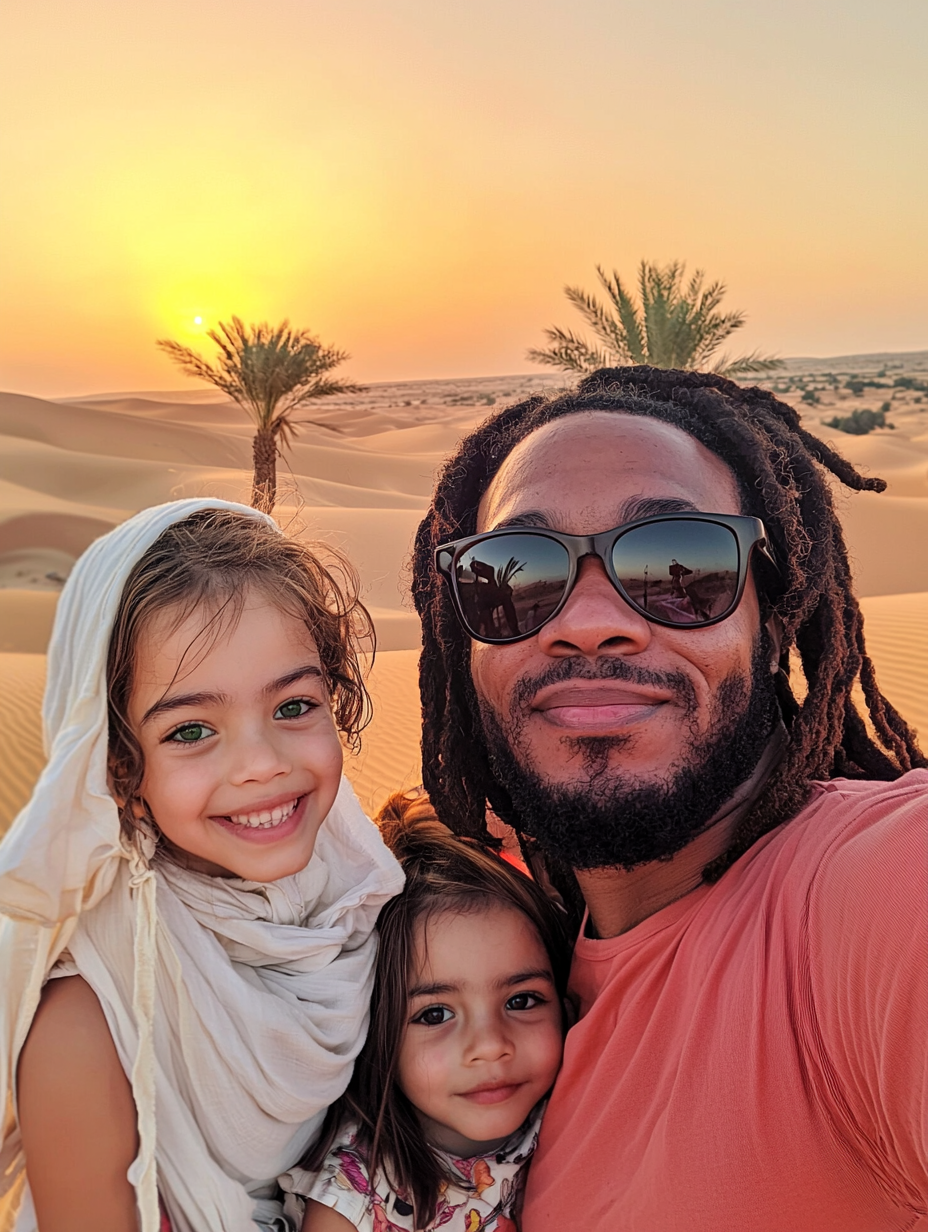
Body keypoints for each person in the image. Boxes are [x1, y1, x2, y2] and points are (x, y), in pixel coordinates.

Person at [411, 367, 928, 1231]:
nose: (584, 621)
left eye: (674, 567)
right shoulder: (499, 946)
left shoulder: (873, 892)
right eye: (515, 574)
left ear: (774, 627)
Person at [0, 500, 404, 1232]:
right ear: (117, 763)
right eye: (191, 730)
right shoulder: (87, 1026)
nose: (260, 766)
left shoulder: (368, 902)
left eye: (294, 706)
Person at [281, 789, 569, 1232]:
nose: (490, 1046)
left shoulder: (576, 1111)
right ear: (379, 1032)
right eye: (435, 1014)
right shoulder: (354, 1203)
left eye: (521, 1001)